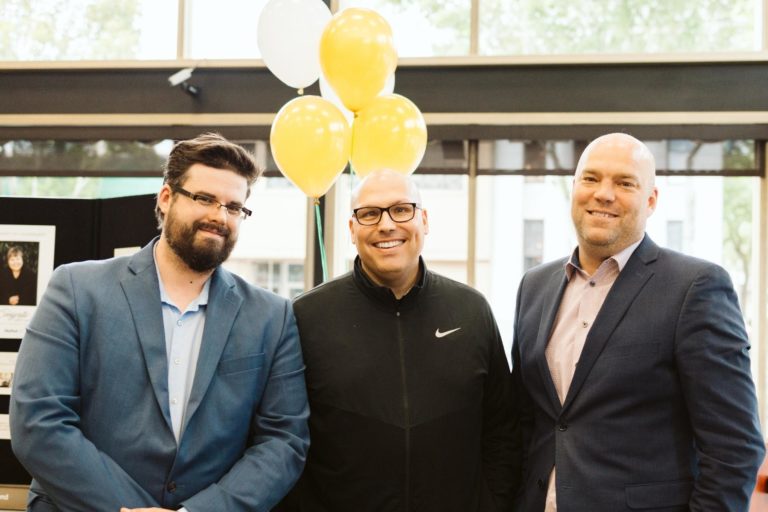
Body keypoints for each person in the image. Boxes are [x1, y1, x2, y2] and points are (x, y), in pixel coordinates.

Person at [10, 133, 310, 512]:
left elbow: (284, 441)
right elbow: (38, 421)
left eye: (234, 207)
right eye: (204, 199)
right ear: (166, 198)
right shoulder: (76, 288)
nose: (220, 216)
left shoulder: (272, 316)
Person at [512, 132, 765, 511]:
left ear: (651, 200)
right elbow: (525, 421)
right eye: (591, 178)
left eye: (625, 182)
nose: (604, 194)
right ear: (574, 188)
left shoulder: (695, 288)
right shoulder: (534, 286)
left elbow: (735, 447)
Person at [276, 169, 518, 512]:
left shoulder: (471, 310)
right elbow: (284, 438)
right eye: (369, 214)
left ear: (424, 220)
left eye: (401, 209)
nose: (387, 225)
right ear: (351, 229)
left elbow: (502, 431)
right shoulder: (306, 316)